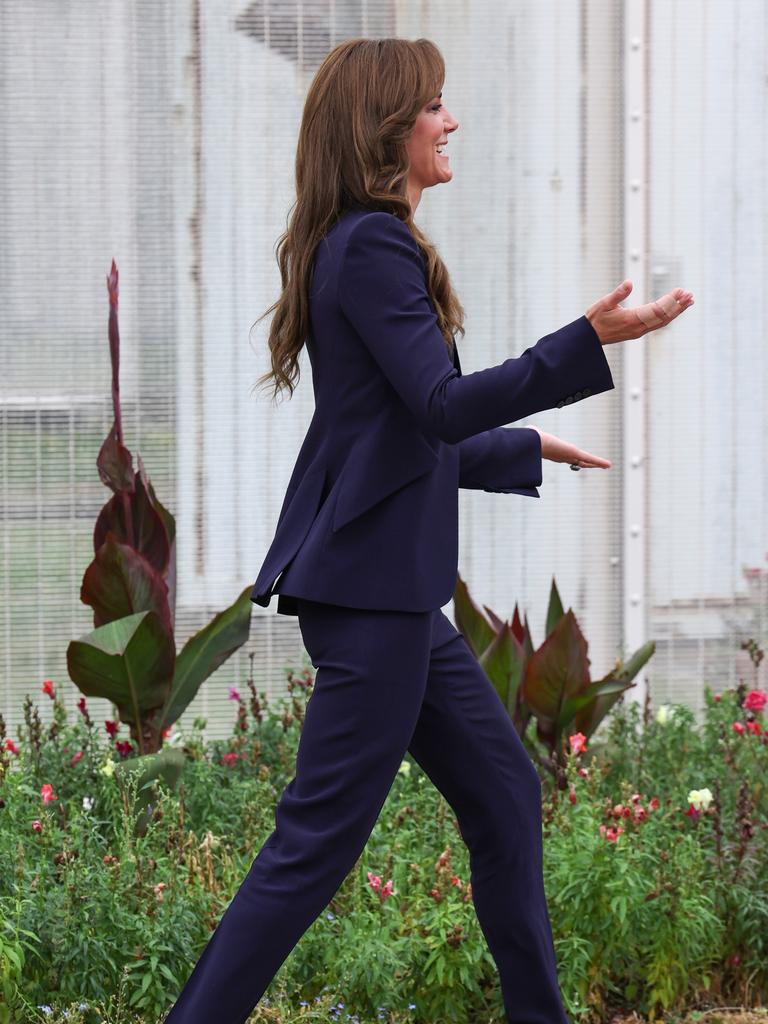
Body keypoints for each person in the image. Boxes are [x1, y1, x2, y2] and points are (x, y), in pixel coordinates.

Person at [164, 37, 694, 1024]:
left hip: (393, 600)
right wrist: (580, 345)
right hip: (377, 605)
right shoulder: (370, 247)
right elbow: (441, 404)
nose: (451, 122)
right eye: (435, 107)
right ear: (389, 128)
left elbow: (390, 429)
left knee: (504, 798)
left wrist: (522, 451)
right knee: (312, 849)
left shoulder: (368, 247)